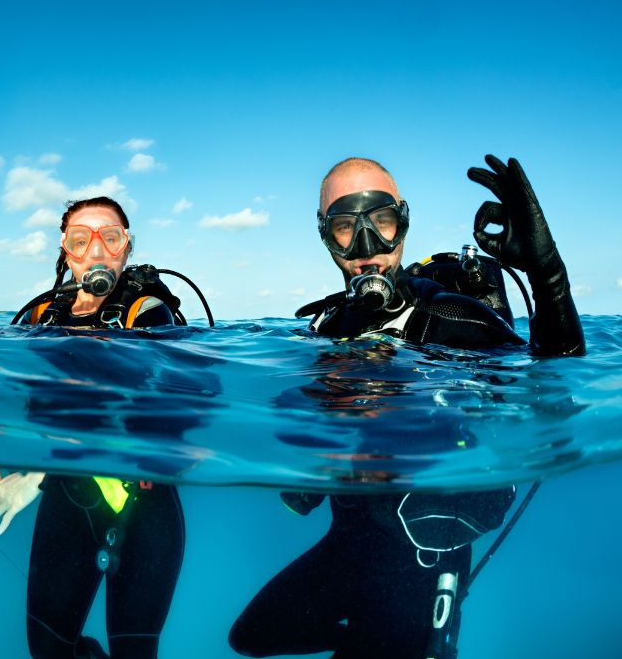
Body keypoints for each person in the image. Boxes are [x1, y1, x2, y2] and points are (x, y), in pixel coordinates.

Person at [228, 156, 585, 659]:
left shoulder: (451, 316)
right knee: (251, 636)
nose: (367, 246)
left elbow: (552, 379)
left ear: (404, 222)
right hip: (351, 547)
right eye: (346, 228)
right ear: (325, 237)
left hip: (424, 553)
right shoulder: (328, 329)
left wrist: (548, 275)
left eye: (382, 221)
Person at [0, 197, 186, 658]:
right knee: (46, 648)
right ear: (65, 250)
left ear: (126, 249)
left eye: (111, 238)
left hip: (145, 506)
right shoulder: (38, 317)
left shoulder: (146, 314)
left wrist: (38, 471)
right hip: (68, 503)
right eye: (80, 239)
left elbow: (131, 404)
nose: (96, 251)